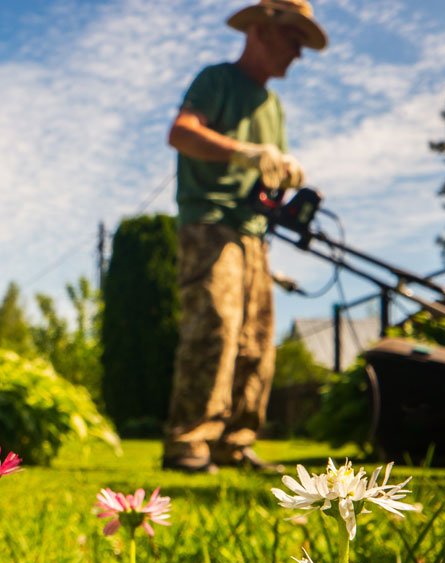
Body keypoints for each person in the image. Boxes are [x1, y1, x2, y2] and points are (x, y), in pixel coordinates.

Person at [162, 0, 327, 474]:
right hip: (210, 222)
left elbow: (267, 173)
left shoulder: (273, 106)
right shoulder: (216, 80)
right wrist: (246, 154)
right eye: (292, 40)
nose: (297, 54)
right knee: (216, 325)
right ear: (260, 31)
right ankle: (189, 442)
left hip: (254, 232)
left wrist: (285, 177)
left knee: (257, 339)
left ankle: (236, 442)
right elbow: (181, 133)